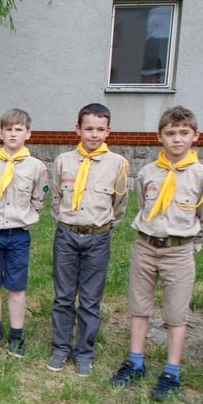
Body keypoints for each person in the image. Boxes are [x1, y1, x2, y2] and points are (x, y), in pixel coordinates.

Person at [110, 106, 203, 401]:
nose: (177, 139)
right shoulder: (148, 172)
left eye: (184, 133)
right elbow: (144, 204)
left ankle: (171, 370)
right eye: (170, 133)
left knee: (176, 313)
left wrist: (190, 248)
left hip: (178, 252)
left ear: (196, 136)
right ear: (160, 136)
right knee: (139, 306)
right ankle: (135, 361)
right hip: (145, 247)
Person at [48, 104, 129, 376]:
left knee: (91, 299)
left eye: (100, 129)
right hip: (67, 235)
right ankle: (60, 347)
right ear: (78, 129)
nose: (94, 135)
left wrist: (103, 226)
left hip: (97, 238)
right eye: (88, 128)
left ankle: (84, 351)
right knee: (63, 296)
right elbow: (57, 196)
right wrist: (67, 221)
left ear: (108, 131)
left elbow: (120, 204)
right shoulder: (63, 161)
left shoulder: (118, 164)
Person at [0, 109, 48, 356]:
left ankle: (17, 334)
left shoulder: (36, 167)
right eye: (9, 129)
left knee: (17, 286)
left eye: (19, 129)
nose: (13, 134)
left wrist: (26, 216)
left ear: (28, 133)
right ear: (1, 133)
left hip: (18, 234)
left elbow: (39, 198)